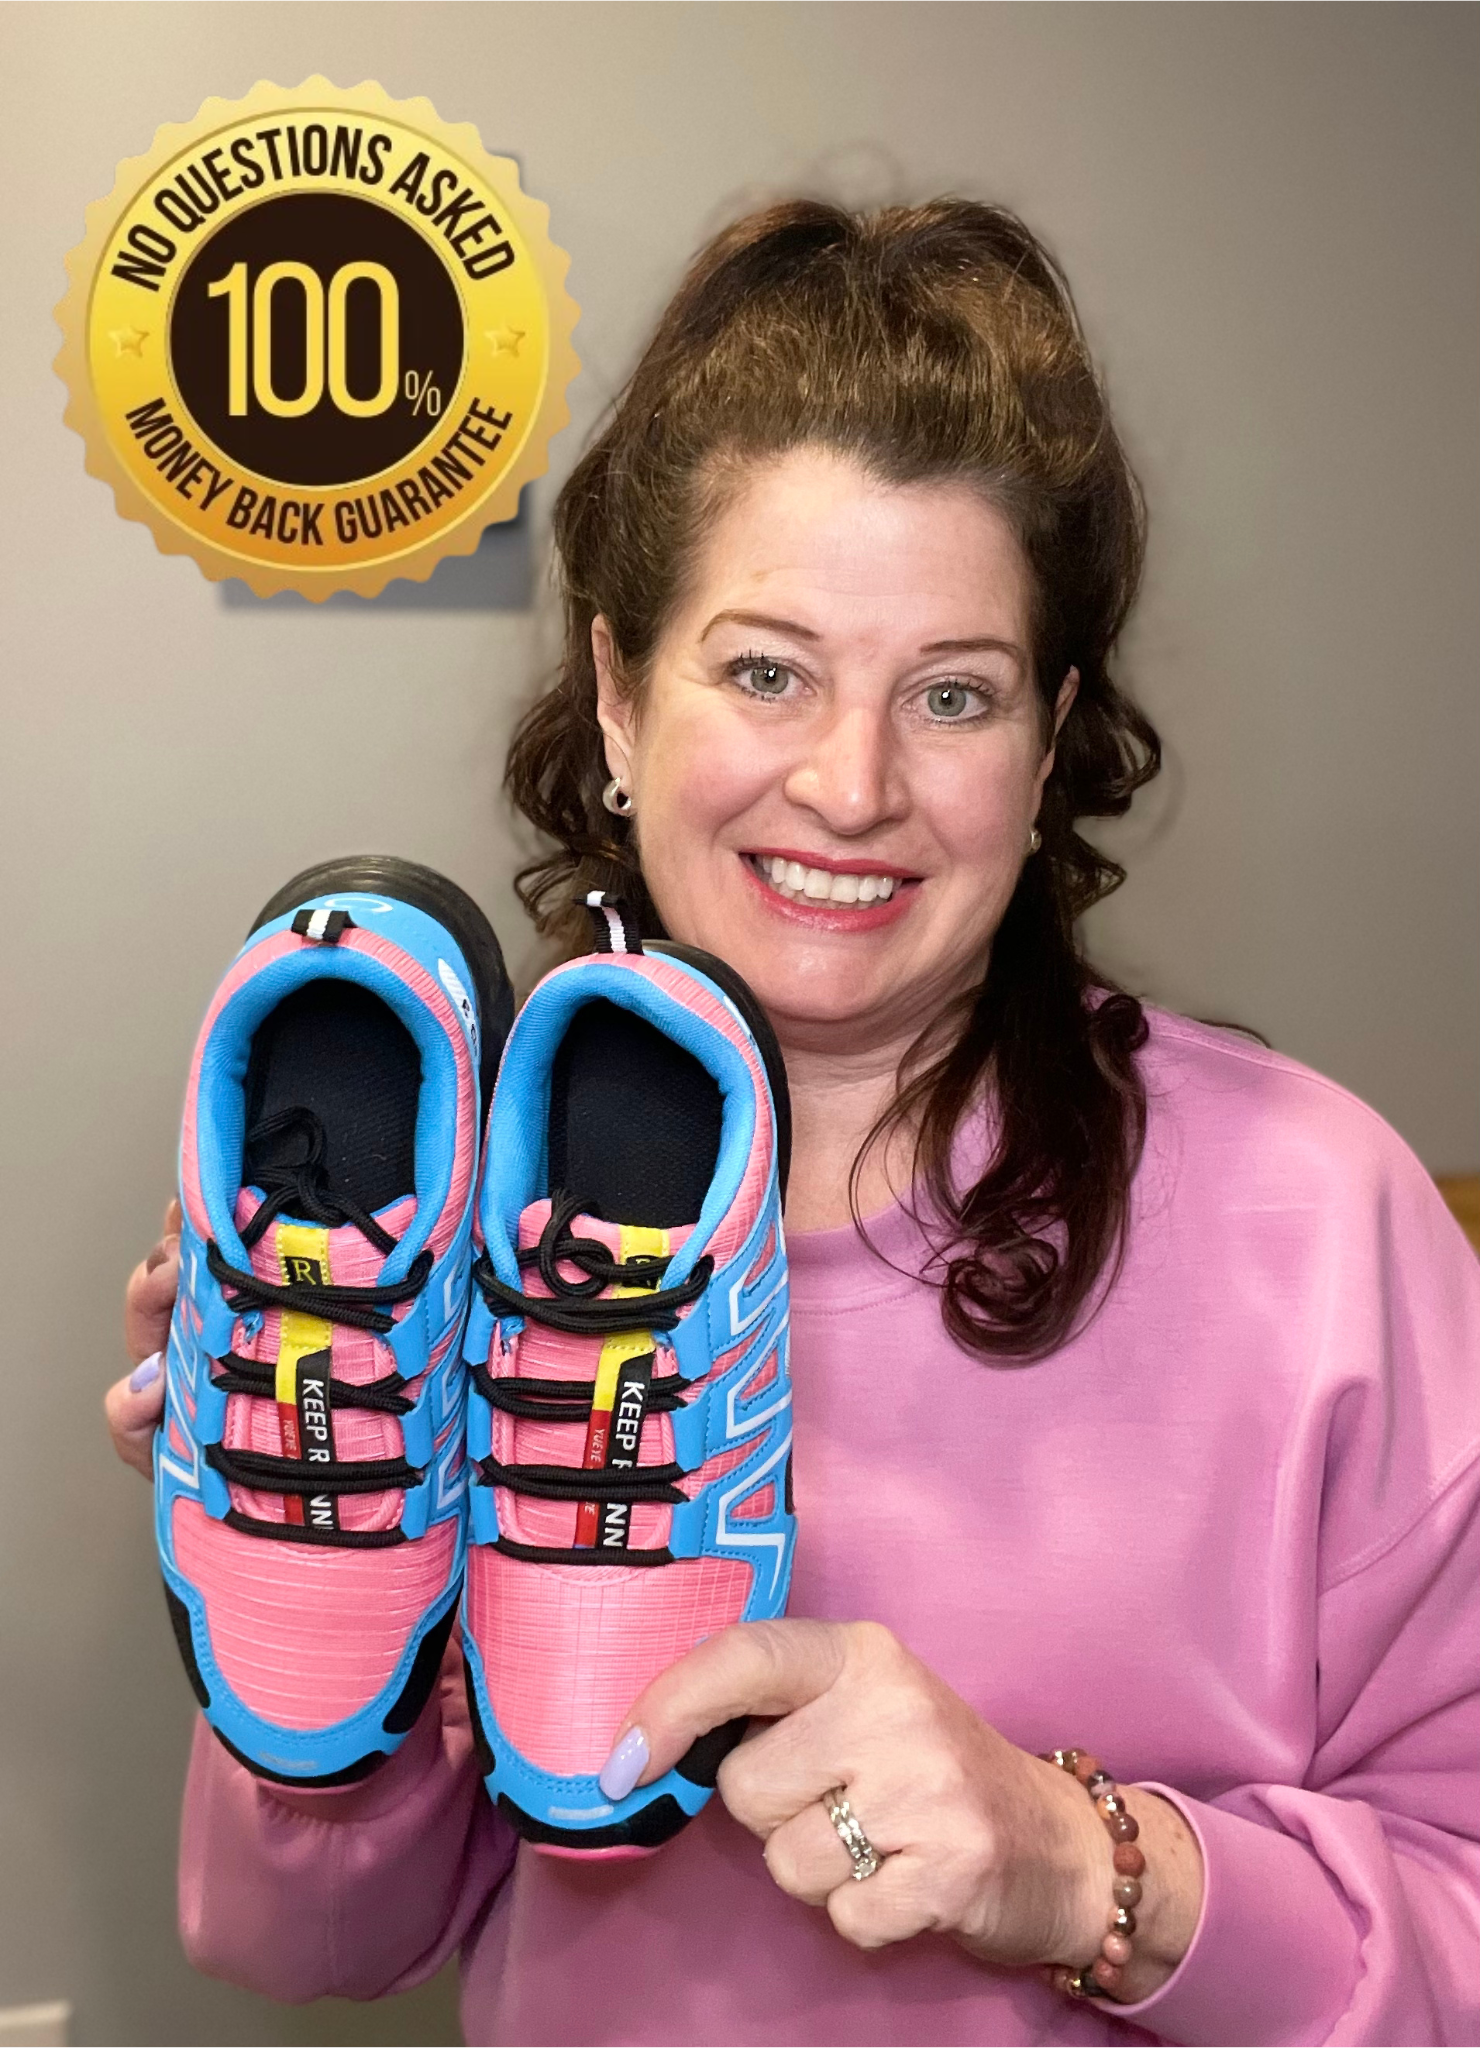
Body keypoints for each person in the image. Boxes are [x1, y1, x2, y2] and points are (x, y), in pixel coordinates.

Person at [107, 200, 1480, 2046]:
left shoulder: (1316, 1219)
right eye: (766, 669)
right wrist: (331, 1543)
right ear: (618, 695)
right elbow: (300, 1948)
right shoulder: (428, 1201)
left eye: (954, 695)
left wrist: (1082, 1866)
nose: (851, 785)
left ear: (1050, 739)